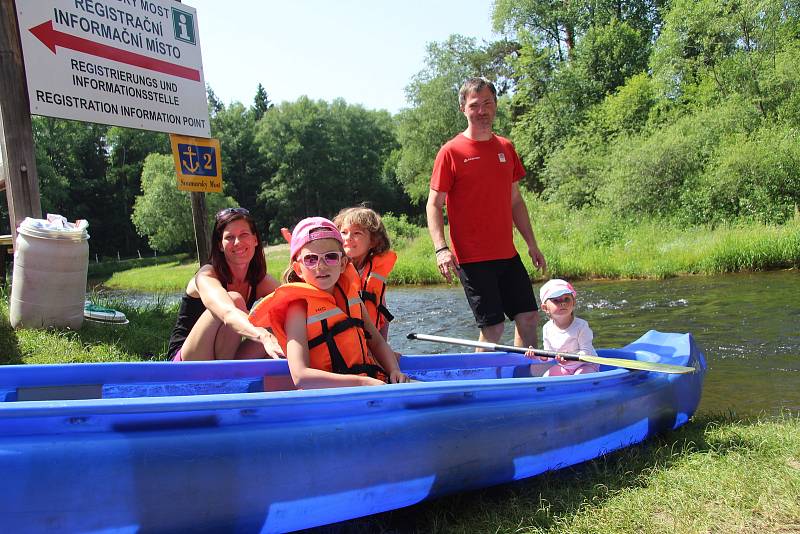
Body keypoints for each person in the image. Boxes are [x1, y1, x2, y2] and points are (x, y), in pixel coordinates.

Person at [426, 77, 547, 350]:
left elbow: (515, 200)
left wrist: (532, 244)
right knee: (492, 328)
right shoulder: (451, 152)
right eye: (475, 105)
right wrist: (441, 249)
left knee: (528, 317)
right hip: (472, 259)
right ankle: (479, 382)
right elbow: (434, 204)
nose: (482, 110)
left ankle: (525, 375)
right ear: (463, 109)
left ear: (495, 107)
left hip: (507, 254)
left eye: (488, 103)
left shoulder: (506, 147)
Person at [249, 217, 410, 389]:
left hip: (370, 384)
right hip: (329, 396)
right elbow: (300, 376)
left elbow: (377, 342)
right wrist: (362, 382)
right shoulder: (298, 309)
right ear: (298, 269)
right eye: (311, 259)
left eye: (330, 257)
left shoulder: (352, 298)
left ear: (342, 264)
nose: (321, 266)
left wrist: (394, 370)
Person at [166, 207, 282, 361]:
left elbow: (297, 301)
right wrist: (264, 336)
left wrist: (300, 256)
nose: (237, 242)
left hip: (225, 356)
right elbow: (227, 313)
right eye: (229, 237)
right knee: (235, 300)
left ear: (255, 240)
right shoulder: (206, 275)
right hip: (187, 360)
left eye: (244, 235)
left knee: (281, 323)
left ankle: (233, 377)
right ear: (220, 245)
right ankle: (227, 378)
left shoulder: (261, 280)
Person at [332, 206, 396, 340]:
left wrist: (384, 348)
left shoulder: (375, 272)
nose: (348, 238)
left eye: (357, 233)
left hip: (369, 343)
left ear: (373, 241)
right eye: (343, 232)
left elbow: (382, 312)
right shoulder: (331, 268)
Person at [531, 279, 599, 377]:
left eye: (566, 299)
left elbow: (586, 352)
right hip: (565, 368)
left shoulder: (581, 326)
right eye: (556, 300)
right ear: (545, 308)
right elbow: (549, 354)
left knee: (580, 377)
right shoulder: (547, 328)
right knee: (546, 378)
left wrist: (569, 359)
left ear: (574, 302)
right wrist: (539, 356)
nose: (562, 303)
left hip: (586, 365)